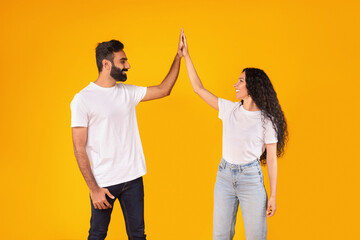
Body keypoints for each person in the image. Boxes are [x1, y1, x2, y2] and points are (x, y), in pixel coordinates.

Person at [70, 31, 184, 240]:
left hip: (133, 178)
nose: (128, 65)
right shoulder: (82, 99)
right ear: (106, 64)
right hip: (104, 182)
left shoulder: (127, 92)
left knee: (138, 236)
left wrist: (178, 56)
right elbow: (79, 147)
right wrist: (93, 188)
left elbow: (163, 89)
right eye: (122, 61)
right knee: (97, 234)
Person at [180, 30, 288, 240]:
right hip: (224, 176)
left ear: (253, 87)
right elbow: (198, 88)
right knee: (221, 235)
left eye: (240, 81)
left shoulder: (267, 120)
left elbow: (272, 159)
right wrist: (187, 56)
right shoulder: (229, 109)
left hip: (251, 180)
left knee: (256, 236)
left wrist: (273, 195)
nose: (235, 85)